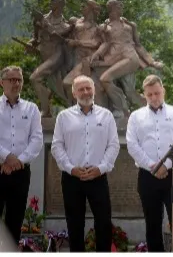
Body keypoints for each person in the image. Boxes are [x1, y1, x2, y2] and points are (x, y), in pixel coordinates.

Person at [51, 75, 120, 252]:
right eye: (81, 89)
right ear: (74, 92)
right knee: (75, 225)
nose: (85, 92)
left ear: (94, 89)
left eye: (88, 88)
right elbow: (57, 146)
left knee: (104, 223)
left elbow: (113, 145)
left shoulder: (106, 116)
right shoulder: (63, 117)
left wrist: (101, 168)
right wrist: (70, 168)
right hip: (73, 178)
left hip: (98, 177)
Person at [126, 75, 173, 252]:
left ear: (163, 91)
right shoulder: (135, 116)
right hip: (147, 176)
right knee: (152, 223)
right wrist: (152, 166)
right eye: (149, 95)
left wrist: (166, 165)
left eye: (157, 93)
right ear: (144, 95)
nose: (154, 98)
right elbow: (132, 144)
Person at [0, 66, 43, 246]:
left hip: (21, 172)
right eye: (12, 80)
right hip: (0, 169)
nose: (16, 83)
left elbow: (37, 138)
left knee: (15, 219)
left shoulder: (31, 109)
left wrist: (19, 161)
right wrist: (6, 157)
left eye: (19, 80)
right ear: (2, 82)